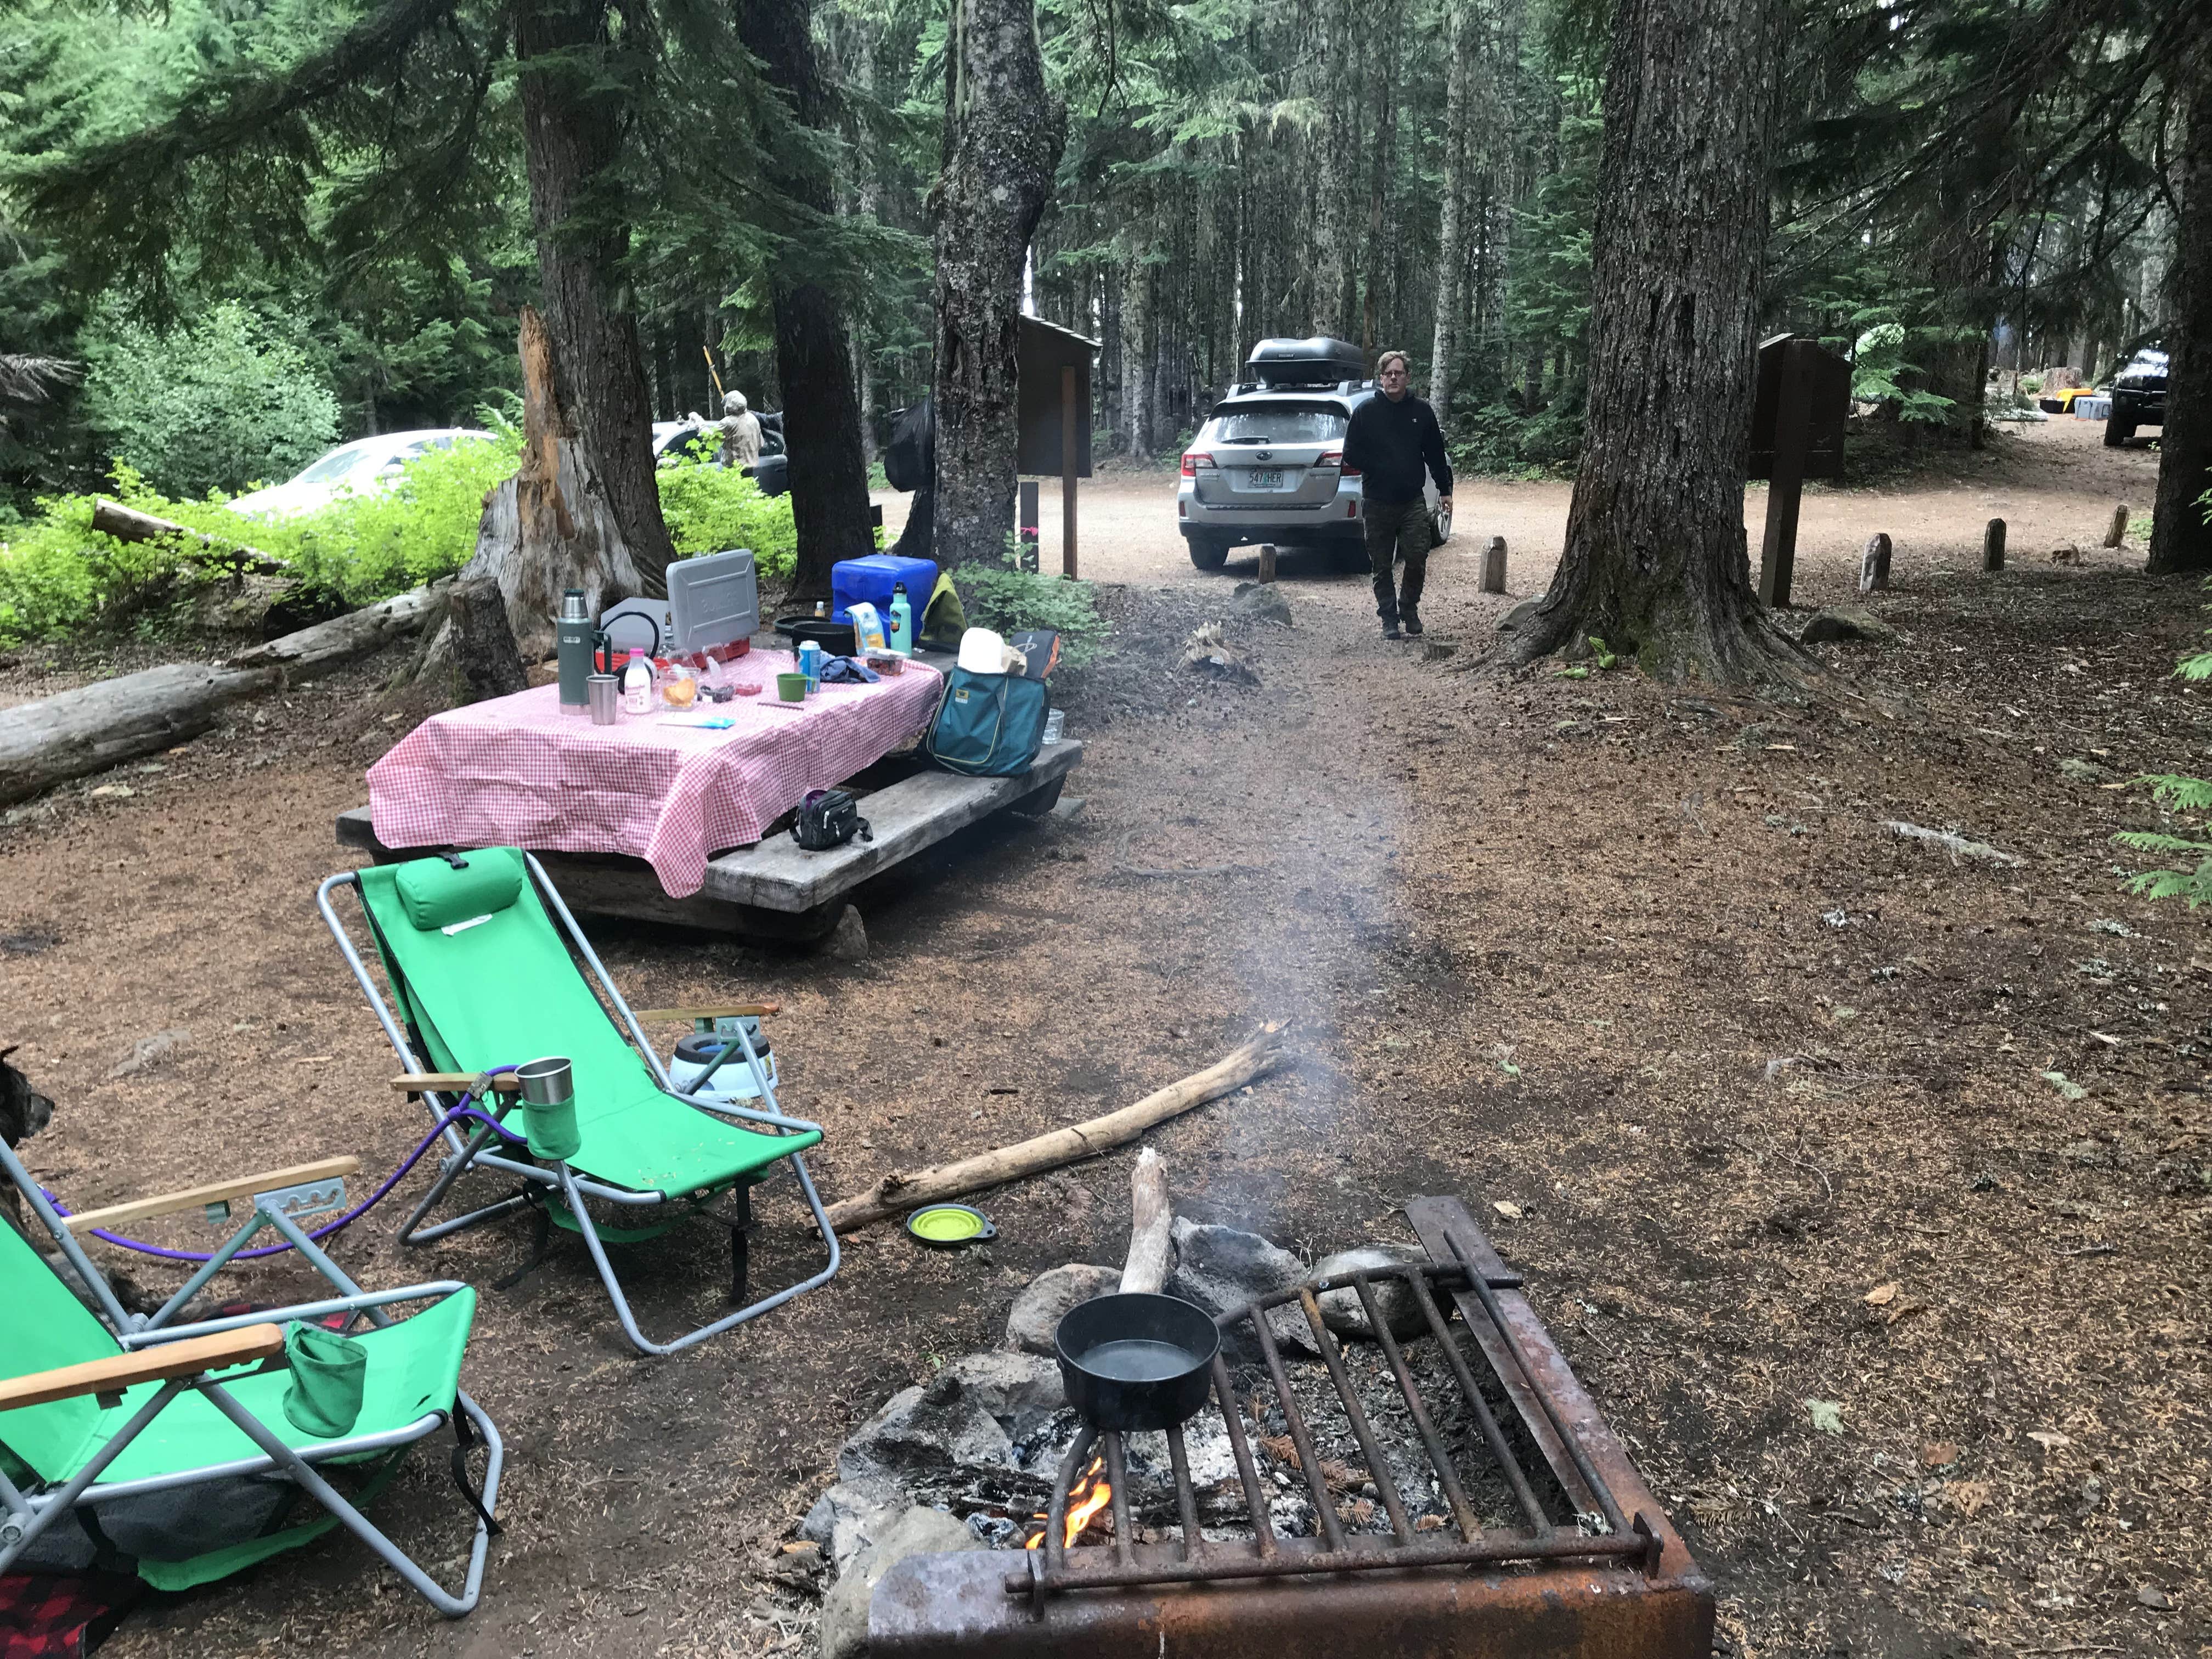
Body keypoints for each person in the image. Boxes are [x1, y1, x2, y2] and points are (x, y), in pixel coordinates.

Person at [1341, 349, 1453, 640]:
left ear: (1407, 378)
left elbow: (1435, 454)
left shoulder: (1421, 412)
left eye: (1398, 373)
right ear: (1381, 378)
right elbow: (1350, 453)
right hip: (1377, 501)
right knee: (1381, 564)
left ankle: (1409, 609)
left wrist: (1445, 490)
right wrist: (1379, 464)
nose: (1393, 378)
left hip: (1412, 500)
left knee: (1417, 555)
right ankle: (1389, 618)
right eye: (1388, 373)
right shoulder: (1366, 412)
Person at [718, 390, 763, 470]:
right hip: (750, 470)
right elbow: (760, 445)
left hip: (733, 470)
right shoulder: (753, 419)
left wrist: (698, 422)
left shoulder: (728, 422)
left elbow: (709, 436)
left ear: (729, 405)